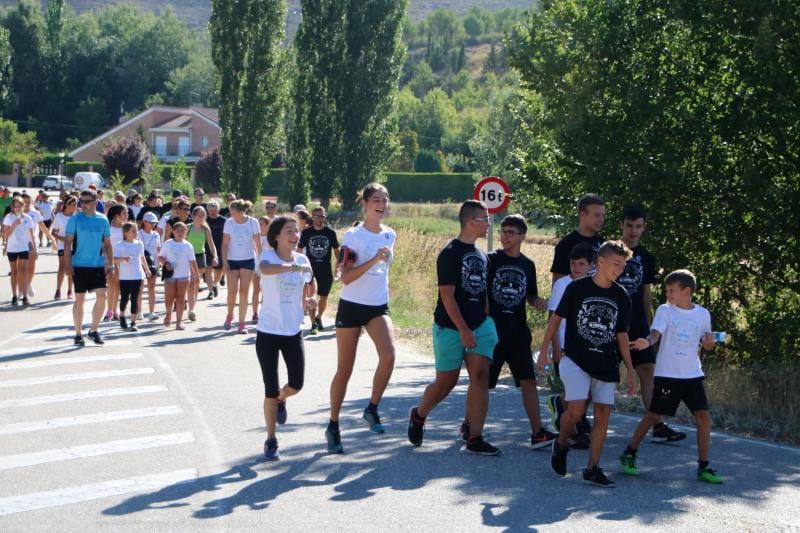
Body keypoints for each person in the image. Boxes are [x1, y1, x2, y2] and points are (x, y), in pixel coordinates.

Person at [538, 240, 636, 487]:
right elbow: (556, 319)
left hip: (606, 362)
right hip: (576, 359)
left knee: (603, 413)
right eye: (616, 264)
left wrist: (631, 370)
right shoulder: (576, 288)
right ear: (600, 262)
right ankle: (561, 444)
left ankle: (592, 468)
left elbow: (622, 335)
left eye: (623, 265)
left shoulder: (621, 296)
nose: (620, 269)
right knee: (576, 411)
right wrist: (543, 350)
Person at [407, 200, 500, 455]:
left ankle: (474, 437)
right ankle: (419, 415)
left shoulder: (482, 255)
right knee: (446, 383)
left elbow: (482, 290)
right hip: (450, 327)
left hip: (480, 325)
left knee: (480, 377)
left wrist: (485, 318)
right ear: (471, 221)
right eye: (485, 219)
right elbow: (447, 296)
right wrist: (463, 330)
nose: (488, 224)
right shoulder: (449, 253)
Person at [620, 269, 723, 484]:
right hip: (668, 375)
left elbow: (707, 344)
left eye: (672, 290)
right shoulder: (665, 311)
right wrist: (646, 342)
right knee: (653, 415)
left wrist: (709, 344)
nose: (668, 294)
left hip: (693, 374)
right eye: (667, 290)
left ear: (687, 291)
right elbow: (655, 334)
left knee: (703, 417)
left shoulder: (703, 314)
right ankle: (629, 453)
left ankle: (704, 466)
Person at [325, 183, 396, 454]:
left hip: (378, 306)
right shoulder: (354, 236)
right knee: (345, 370)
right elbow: (345, 278)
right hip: (352, 306)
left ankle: (372, 408)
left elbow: (385, 270)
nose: (382, 203)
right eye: (376, 199)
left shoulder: (390, 235)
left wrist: (380, 260)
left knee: (389, 356)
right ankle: (333, 424)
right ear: (365, 204)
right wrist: (374, 260)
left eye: (385, 200)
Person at [477, 214, 557, 449]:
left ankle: (538, 432)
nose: (505, 237)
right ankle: (471, 427)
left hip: (518, 331)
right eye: (503, 231)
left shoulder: (527, 264)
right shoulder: (490, 260)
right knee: (484, 384)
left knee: (528, 380)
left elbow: (529, 294)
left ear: (522, 236)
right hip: (493, 331)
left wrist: (538, 301)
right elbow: (482, 293)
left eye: (511, 233)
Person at [616, 205, 685, 443]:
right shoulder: (608, 251)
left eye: (638, 226)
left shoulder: (646, 257)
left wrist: (649, 325)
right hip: (610, 323)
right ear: (622, 225)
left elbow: (646, 293)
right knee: (601, 375)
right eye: (629, 226)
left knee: (647, 371)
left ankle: (658, 425)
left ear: (644, 227)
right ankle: (573, 416)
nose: (633, 231)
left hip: (636, 323)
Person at [255, 215, 316, 460]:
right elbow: (266, 271)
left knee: (297, 384)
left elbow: (310, 282)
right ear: (277, 236)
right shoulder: (268, 256)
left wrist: (311, 301)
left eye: (297, 231)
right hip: (268, 332)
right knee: (269, 389)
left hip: (293, 332)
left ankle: (283, 398)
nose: (295, 235)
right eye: (289, 231)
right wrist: (292, 267)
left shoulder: (303, 260)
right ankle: (271, 439)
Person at [544, 242, 594, 448]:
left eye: (581, 264)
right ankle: (573, 432)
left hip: (588, 348)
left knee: (588, 391)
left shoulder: (594, 284)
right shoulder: (562, 285)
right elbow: (553, 318)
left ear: (591, 265)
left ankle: (563, 407)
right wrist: (555, 349)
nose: (576, 268)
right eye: (573, 264)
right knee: (576, 392)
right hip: (566, 347)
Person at [64, 189, 113, 346]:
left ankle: (94, 330)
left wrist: (110, 264)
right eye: (81, 202)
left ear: (95, 202)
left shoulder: (103, 220)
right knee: (80, 299)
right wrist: (67, 264)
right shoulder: (75, 219)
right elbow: (67, 243)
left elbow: (107, 244)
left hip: (97, 265)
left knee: (102, 296)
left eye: (86, 202)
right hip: (78, 265)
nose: (82, 205)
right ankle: (78, 333)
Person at [221, 199, 262, 333]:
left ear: (240, 212)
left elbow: (258, 243)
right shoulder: (229, 223)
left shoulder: (253, 222)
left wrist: (261, 260)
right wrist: (225, 261)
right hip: (232, 260)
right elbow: (225, 243)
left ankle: (242, 323)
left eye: (233, 213)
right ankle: (229, 314)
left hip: (248, 260)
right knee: (232, 292)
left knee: (244, 292)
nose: (231, 215)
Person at [299, 206, 340, 333]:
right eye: (316, 216)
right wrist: (297, 267)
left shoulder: (330, 233)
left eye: (322, 216)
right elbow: (299, 251)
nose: (319, 219)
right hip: (310, 270)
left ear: (325, 217)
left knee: (323, 297)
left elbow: (337, 251)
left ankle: (319, 317)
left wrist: (338, 268)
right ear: (312, 217)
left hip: (325, 269)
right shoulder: (306, 233)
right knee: (311, 296)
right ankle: (313, 324)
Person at [550, 194, 605, 286]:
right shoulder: (566, 244)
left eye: (603, 216)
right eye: (597, 215)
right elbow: (558, 283)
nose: (601, 220)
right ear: (583, 215)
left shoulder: (603, 244)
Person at [159, 221, 199, 330]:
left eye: (182, 231)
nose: (180, 233)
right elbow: (161, 257)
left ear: (186, 232)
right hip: (170, 275)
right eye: (178, 231)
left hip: (184, 275)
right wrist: (166, 264)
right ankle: (168, 315)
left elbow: (192, 261)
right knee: (169, 298)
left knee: (181, 298)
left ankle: (179, 322)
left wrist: (196, 275)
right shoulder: (168, 243)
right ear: (173, 231)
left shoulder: (188, 245)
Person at [114, 222, 150, 331]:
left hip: (137, 275)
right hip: (125, 276)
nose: (136, 233)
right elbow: (114, 260)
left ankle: (133, 322)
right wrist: (123, 259)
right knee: (124, 298)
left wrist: (147, 269)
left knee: (135, 298)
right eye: (133, 231)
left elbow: (142, 257)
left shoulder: (139, 244)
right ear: (126, 232)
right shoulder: (120, 245)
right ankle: (122, 316)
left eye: (136, 231)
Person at [186, 206, 218, 321]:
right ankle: (188, 303)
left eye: (203, 215)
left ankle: (192, 309)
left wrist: (215, 256)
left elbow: (211, 244)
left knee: (195, 281)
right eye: (198, 215)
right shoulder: (188, 228)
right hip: (188, 257)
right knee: (190, 282)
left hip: (200, 257)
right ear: (193, 216)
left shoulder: (206, 229)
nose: (201, 218)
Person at [2, 197, 36, 306]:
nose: (17, 208)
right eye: (15, 206)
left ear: (23, 206)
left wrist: (34, 249)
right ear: (13, 207)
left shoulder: (28, 218)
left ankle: (25, 296)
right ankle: (14, 296)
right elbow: (5, 235)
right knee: (14, 272)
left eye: (19, 206)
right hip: (12, 248)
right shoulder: (8, 217)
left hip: (24, 248)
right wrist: (14, 225)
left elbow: (31, 235)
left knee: (24, 271)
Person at [22, 192, 54, 297]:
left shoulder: (35, 213)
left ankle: (28, 285)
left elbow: (43, 227)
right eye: (24, 201)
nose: (26, 204)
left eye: (28, 201)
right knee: (21, 268)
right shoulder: (17, 213)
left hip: (32, 243)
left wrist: (51, 238)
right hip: (19, 244)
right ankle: (21, 290)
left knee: (30, 268)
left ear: (31, 202)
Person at [104, 204, 127, 321]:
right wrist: (107, 261)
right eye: (124, 213)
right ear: (116, 216)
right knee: (111, 285)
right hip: (111, 260)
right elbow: (104, 245)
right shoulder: (108, 228)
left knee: (118, 286)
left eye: (126, 213)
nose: (126, 215)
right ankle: (109, 310)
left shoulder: (127, 228)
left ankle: (114, 309)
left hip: (124, 261)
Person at [51, 195, 77, 299]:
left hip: (74, 245)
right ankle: (58, 290)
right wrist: (62, 239)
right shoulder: (59, 216)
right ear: (67, 205)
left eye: (76, 205)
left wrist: (72, 239)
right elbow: (53, 232)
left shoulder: (76, 217)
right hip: (62, 245)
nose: (75, 207)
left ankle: (70, 290)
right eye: (73, 205)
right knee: (62, 266)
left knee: (71, 267)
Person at [138, 212, 162, 321]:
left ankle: (152, 312)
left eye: (154, 223)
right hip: (140, 263)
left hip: (153, 264)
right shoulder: (138, 233)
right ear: (144, 222)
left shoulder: (156, 234)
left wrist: (159, 264)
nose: (153, 224)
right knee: (140, 288)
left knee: (152, 288)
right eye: (151, 222)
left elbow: (158, 250)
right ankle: (139, 312)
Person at [250, 216, 272, 323]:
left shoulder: (272, 238)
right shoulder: (253, 237)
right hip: (256, 265)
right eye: (259, 224)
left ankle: (265, 312)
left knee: (266, 290)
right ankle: (255, 313)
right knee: (256, 289)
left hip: (269, 267)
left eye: (262, 224)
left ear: (268, 225)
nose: (260, 226)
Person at [206, 200, 226, 298]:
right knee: (208, 269)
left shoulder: (223, 220)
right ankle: (210, 291)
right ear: (208, 210)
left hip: (220, 247)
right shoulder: (205, 220)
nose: (213, 212)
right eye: (210, 210)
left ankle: (214, 284)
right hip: (206, 247)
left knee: (219, 269)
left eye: (214, 210)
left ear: (218, 209)